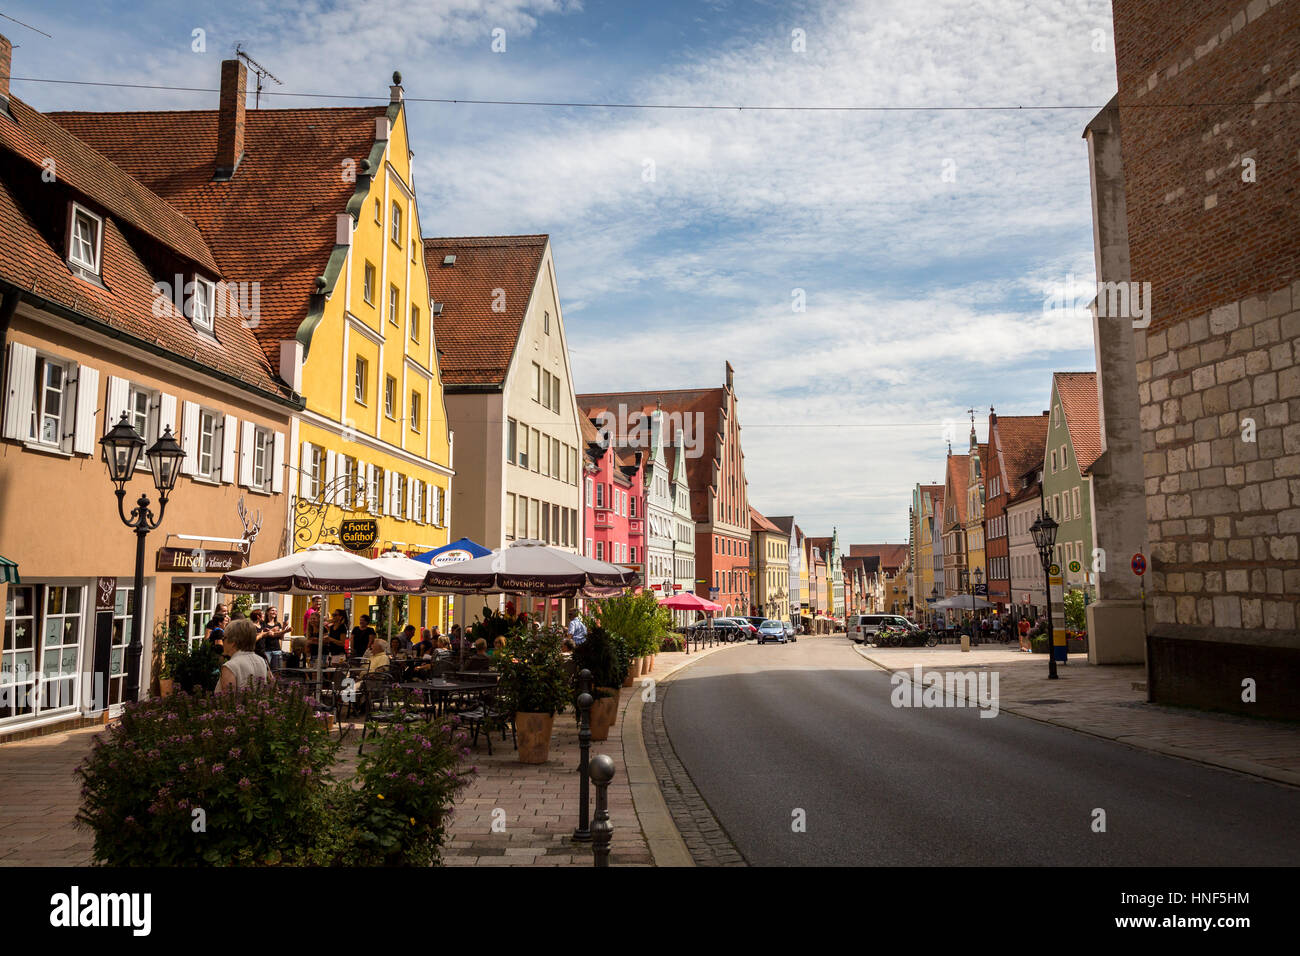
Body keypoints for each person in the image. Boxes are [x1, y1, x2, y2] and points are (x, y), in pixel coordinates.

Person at [218, 619, 270, 692]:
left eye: (224, 638)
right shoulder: (261, 660)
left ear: (233, 642)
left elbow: (227, 700)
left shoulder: (230, 666)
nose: (222, 641)